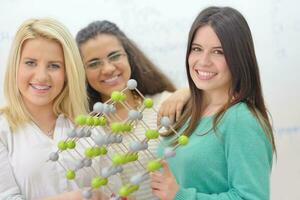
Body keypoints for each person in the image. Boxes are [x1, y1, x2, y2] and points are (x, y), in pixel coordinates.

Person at [150, 6, 276, 200]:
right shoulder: (187, 110)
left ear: (239, 57)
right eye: (196, 49)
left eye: (218, 52)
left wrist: (181, 196)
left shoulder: (241, 119)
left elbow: (252, 197)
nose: (204, 61)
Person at [0, 18, 115, 200]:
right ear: (15, 66)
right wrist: (74, 198)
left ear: (68, 73)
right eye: (30, 62)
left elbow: (115, 191)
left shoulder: (90, 129)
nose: (41, 76)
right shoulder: (3, 130)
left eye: (54, 66)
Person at [76, 20, 189, 200]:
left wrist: (190, 92)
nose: (107, 68)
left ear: (129, 57)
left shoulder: (166, 104)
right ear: (81, 73)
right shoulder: (86, 132)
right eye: (94, 63)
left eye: (114, 56)